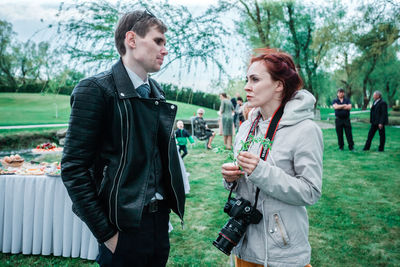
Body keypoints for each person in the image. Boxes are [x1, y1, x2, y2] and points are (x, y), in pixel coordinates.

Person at [61, 10, 186, 267]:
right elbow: (74, 169)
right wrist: (107, 235)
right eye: (158, 41)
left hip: (158, 224)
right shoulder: (95, 90)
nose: (165, 49)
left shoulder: (156, 92)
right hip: (122, 228)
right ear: (131, 40)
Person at [221, 48, 323, 267]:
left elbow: (311, 192)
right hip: (243, 247)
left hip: (282, 253)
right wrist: (231, 178)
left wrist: (261, 171)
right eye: (247, 79)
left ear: (279, 85)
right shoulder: (247, 126)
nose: (247, 87)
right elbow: (244, 183)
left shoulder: (306, 130)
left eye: (255, 79)